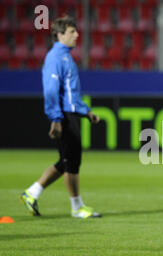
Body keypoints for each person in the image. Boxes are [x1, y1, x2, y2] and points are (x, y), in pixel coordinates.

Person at [20, 16, 101, 219]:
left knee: (66, 160)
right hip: (63, 115)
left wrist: (85, 111)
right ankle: (77, 207)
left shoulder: (65, 57)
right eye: (72, 31)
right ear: (59, 34)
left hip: (70, 113)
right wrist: (55, 118)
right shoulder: (55, 57)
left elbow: (70, 92)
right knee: (72, 160)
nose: (77, 35)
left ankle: (32, 192)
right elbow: (51, 90)